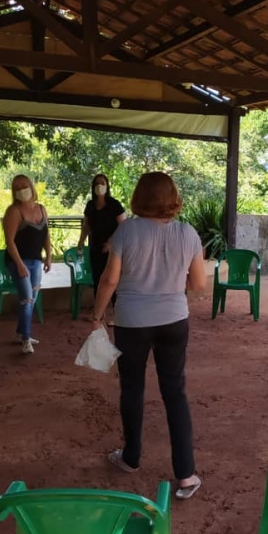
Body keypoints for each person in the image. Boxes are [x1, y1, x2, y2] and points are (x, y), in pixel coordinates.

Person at [90, 171, 206, 500]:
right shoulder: (188, 233)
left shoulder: (126, 232)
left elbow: (110, 281)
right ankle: (185, 475)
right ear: (173, 198)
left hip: (132, 321)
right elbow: (198, 286)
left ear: (140, 197)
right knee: (175, 394)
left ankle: (131, 457)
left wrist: (97, 316)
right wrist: (169, 287)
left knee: (132, 388)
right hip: (173, 320)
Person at [2, 174, 52, 354]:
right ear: (14, 192)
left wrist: (49, 255)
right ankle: (25, 339)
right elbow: (9, 241)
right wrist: (19, 265)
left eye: (24, 186)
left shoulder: (41, 209)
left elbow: (46, 234)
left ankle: (20, 332)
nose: (22, 190)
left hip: (36, 260)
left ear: (31, 187)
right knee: (26, 299)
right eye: (17, 188)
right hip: (18, 260)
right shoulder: (13, 212)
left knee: (32, 299)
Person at [77, 174, 126, 303]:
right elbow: (86, 226)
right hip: (95, 249)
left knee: (114, 281)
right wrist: (80, 242)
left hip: (113, 251)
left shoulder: (114, 205)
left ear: (107, 186)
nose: (99, 186)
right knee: (98, 281)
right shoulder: (90, 205)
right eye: (97, 184)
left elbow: (124, 227)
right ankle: (100, 317)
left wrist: (111, 243)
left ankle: (117, 316)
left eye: (102, 183)